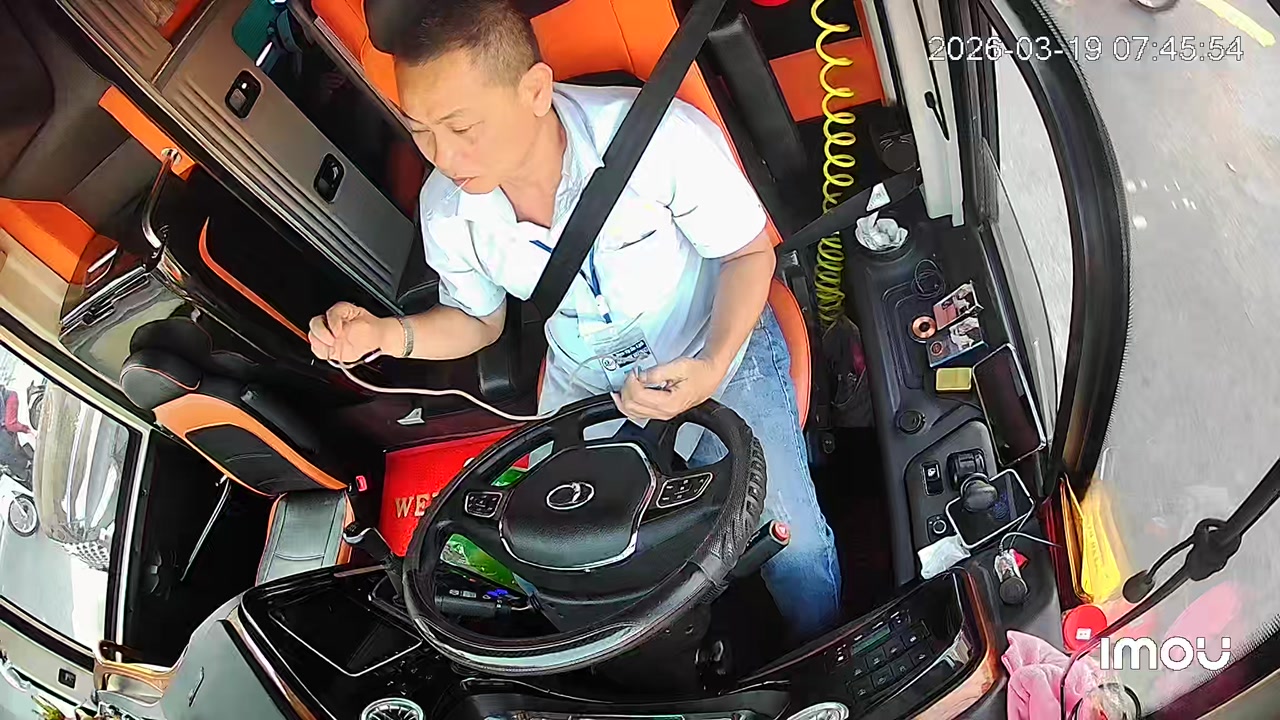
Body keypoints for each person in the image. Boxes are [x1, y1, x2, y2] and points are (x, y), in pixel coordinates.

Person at [307, 0, 841, 640]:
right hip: (590, 387)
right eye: (420, 131)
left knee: (792, 545)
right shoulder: (448, 210)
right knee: (564, 568)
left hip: (715, 344)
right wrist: (386, 335)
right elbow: (477, 322)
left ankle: (824, 656)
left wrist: (711, 364)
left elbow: (748, 254)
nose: (443, 155)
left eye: (462, 127)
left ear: (534, 90)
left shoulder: (656, 139)